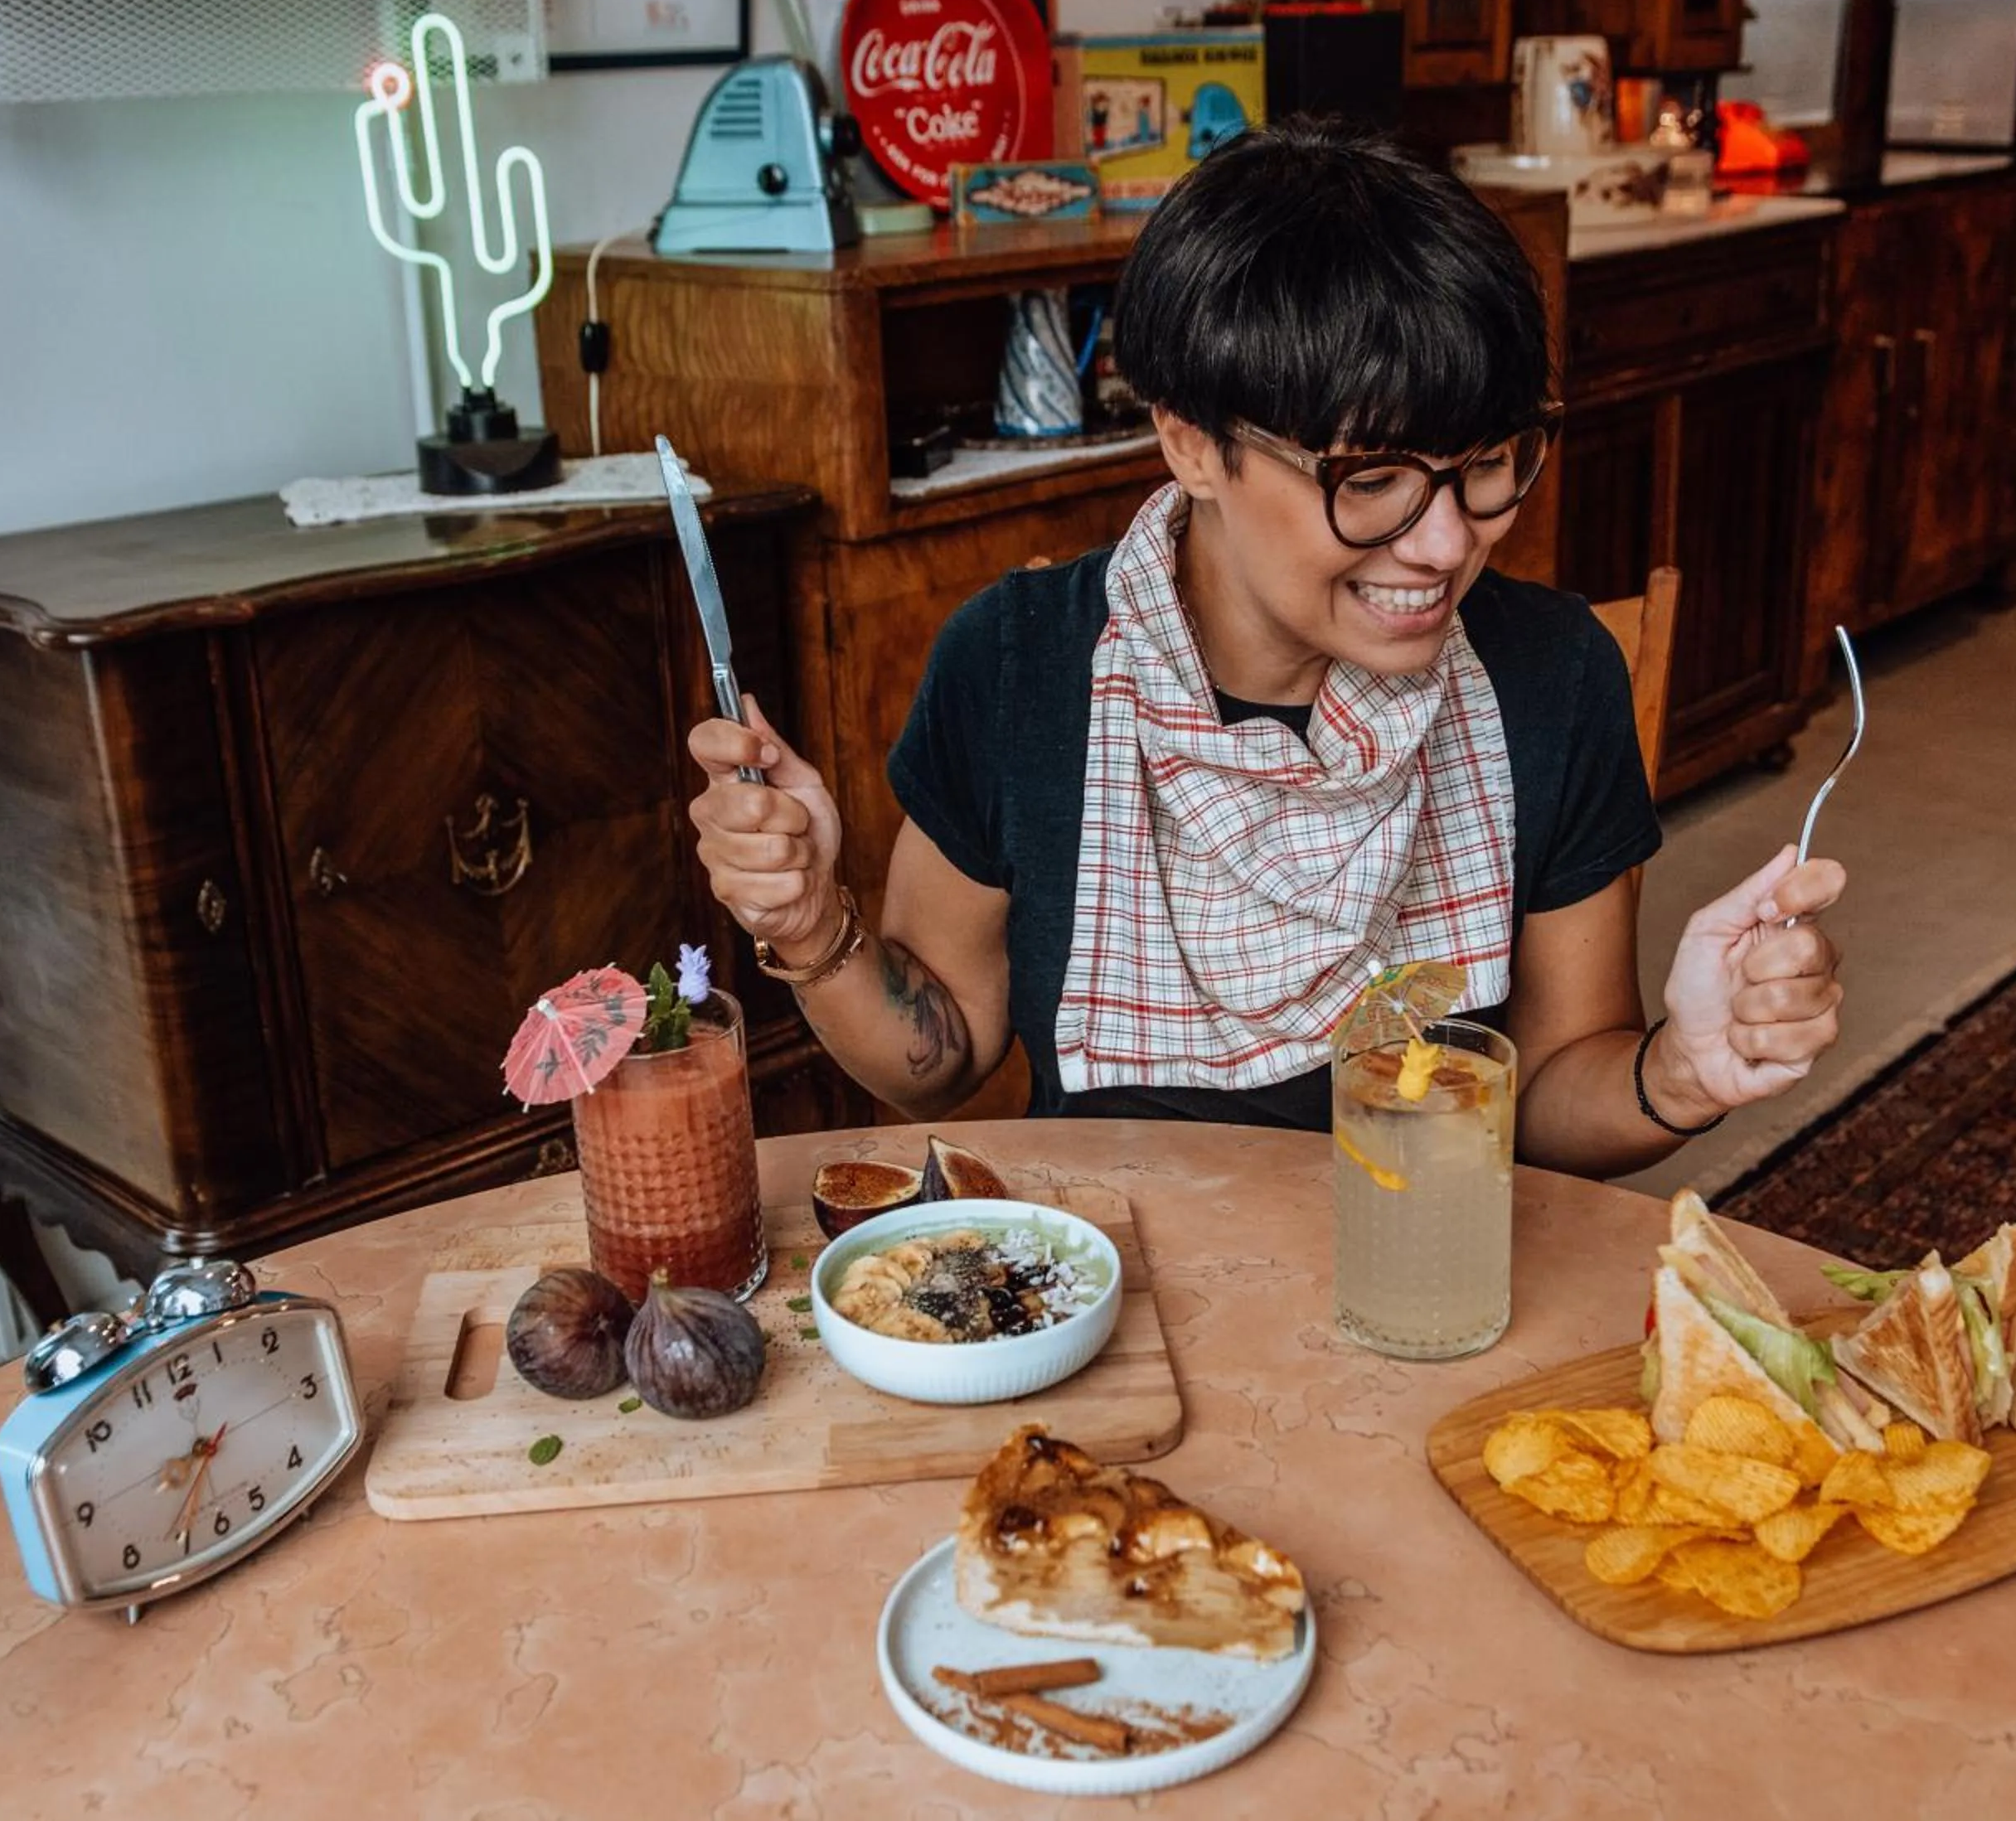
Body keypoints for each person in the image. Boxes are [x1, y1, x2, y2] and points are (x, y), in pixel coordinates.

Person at [689, 121, 1844, 1179]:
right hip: (1111, 1286)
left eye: (1489, 463)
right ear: (1191, 443)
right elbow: (935, 1059)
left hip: (1415, 1276)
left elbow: (1543, 1100)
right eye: (1374, 479)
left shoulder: (1551, 674)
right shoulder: (1019, 667)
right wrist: (811, 925)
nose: (1445, 542)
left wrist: (1681, 1069)